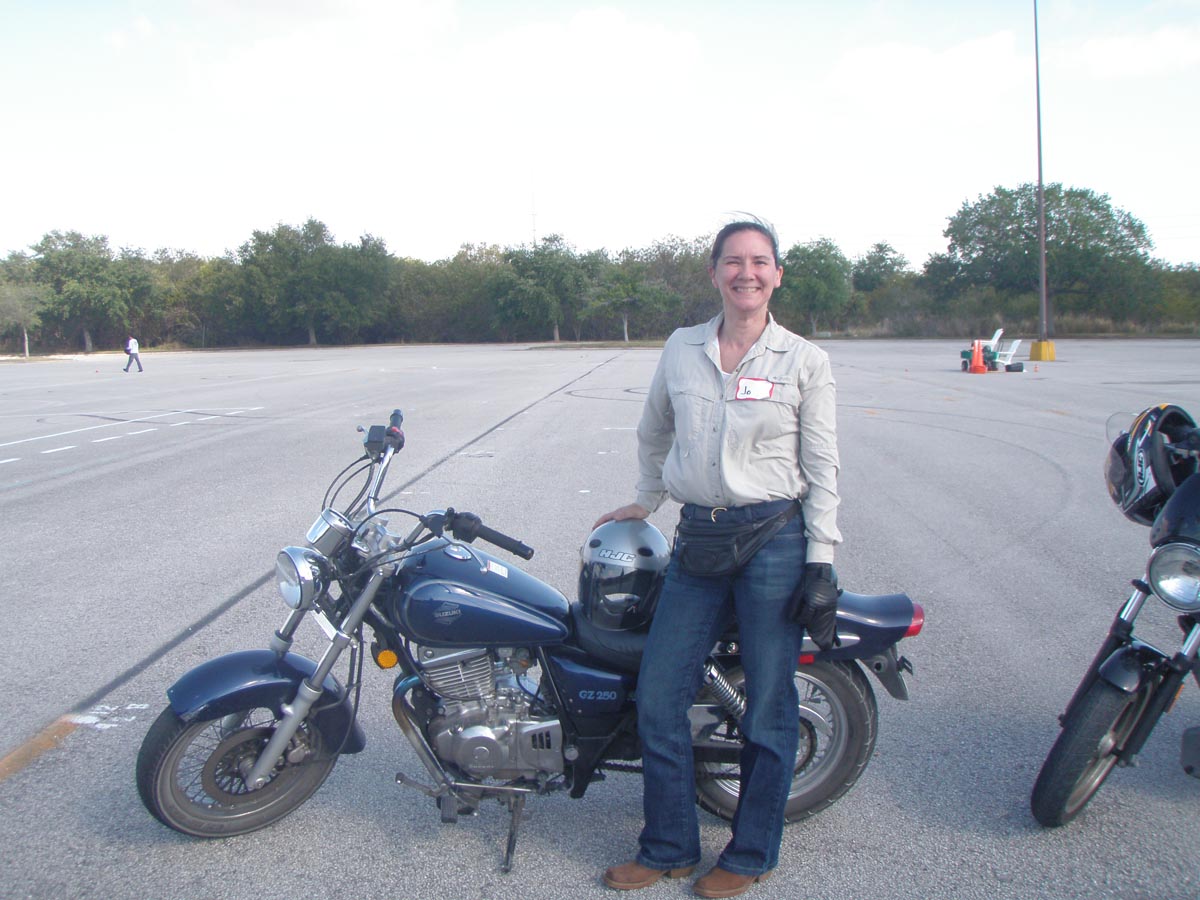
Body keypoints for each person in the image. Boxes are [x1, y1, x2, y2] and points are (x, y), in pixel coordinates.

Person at [597, 219, 841, 898]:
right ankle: (669, 846)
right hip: (699, 540)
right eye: (733, 261)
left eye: (760, 262)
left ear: (777, 275)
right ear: (714, 274)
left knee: (767, 708)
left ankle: (751, 852)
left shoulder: (804, 360)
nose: (746, 273)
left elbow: (823, 466)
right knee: (658, 697)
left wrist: (820, 559)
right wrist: (646, 497)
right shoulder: (682, 347)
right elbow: (654, 429)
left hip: (774, 543)